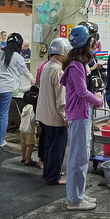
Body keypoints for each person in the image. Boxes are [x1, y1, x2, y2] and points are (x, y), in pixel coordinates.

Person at [60, 25, 103, 210]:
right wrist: (98, 100)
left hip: (80, 114)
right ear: (85, 43)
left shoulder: (77, 64)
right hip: (79, 115)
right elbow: (81, 91)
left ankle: (78, 195)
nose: (93, 46)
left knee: (81, 156)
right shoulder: (76, 65)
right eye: (91, 42)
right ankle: (75, 200)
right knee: (78, 158)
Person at [0, 33, 34, 147]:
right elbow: (24, 72)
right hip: (5, 89)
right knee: (3, 115)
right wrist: (32, 79)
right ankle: (1, 141)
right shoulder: (17, 57)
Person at [37, 37, 71, 185]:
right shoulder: (58, 71)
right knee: (57, 148)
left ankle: (49, 173)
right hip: (55, 117)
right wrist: (65, 117)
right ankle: (53, 177)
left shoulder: (47, 66)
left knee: (49, 146)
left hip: (45, 115)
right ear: (63, 53)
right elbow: (61, 99)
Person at [19, 99, 38, 167]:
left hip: (23, 128)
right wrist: (37, 124)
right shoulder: (34, 108)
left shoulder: (26, 106)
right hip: (29, 129)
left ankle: (24, 157)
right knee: (31, 145)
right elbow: (33, 119)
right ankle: (28, 160)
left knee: (24, 144)